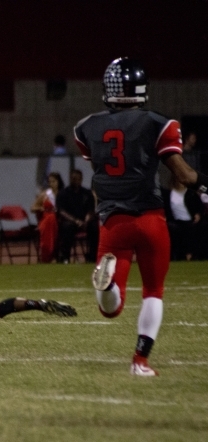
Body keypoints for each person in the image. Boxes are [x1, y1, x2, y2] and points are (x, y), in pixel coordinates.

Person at [74, 57, 208, 376]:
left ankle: (106, 288)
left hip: (112, 221)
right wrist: (203, 185)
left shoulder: (86, 127)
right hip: (149, 219)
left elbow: (101, 166)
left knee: (111, 308)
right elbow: (183, 174)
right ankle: (140, 361)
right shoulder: (158, 123)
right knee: (153, 291)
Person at [55, 169, 98, 263]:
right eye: (73, 179)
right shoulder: (63, 193)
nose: (76, 181)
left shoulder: (87, 193)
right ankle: (65, 257)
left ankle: (92, 256)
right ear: (70, 179)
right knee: (67, 227)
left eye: (78, 179)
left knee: (94, 227)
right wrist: (75, 221)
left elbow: (91, 210)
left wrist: (86, 221)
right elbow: (61, 211)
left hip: (85, 221)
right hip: (70, 221)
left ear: (81, 179)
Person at [161, 175, 205, 261]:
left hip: (191, 221)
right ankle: (175, 255)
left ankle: (191, 254)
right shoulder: (168, 194)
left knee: (193, 229)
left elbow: (199, 206)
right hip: (175, 221)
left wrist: (198, 214)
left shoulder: (191, 193)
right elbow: (165, 207)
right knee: (172, 228)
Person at [31, 172, 64, 263]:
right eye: (50, 182)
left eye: (53, 181)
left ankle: (56, 255)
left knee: (55, 221)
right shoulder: (45, 194)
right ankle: (48, 255)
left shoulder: (63, 193)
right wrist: (41, 208)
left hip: (60, 219)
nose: (51, 184)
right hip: (46, 219)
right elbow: (33, 208)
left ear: (58, 182)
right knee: (51, 219)